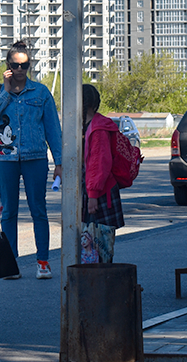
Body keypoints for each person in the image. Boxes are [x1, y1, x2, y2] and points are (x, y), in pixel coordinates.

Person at [0, 41, 62, 279]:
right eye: (15, 65)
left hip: (35, 157)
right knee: (8, 211)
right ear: (8, 66)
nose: (20, 70)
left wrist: (59, 162)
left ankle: (43, 261)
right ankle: (11, 263)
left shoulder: (40, 93)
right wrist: (6, 93)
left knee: (38, 209)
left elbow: (53, 129)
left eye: (25, 65)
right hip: (4, 159)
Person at [81, 84, 124, 261]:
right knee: (95, 242)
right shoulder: (88, 126)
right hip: (98, 190)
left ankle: (99, 282)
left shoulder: (97, 129)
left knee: (97, 245)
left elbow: (99, 164)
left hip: (99, 192)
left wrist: (92, 195)